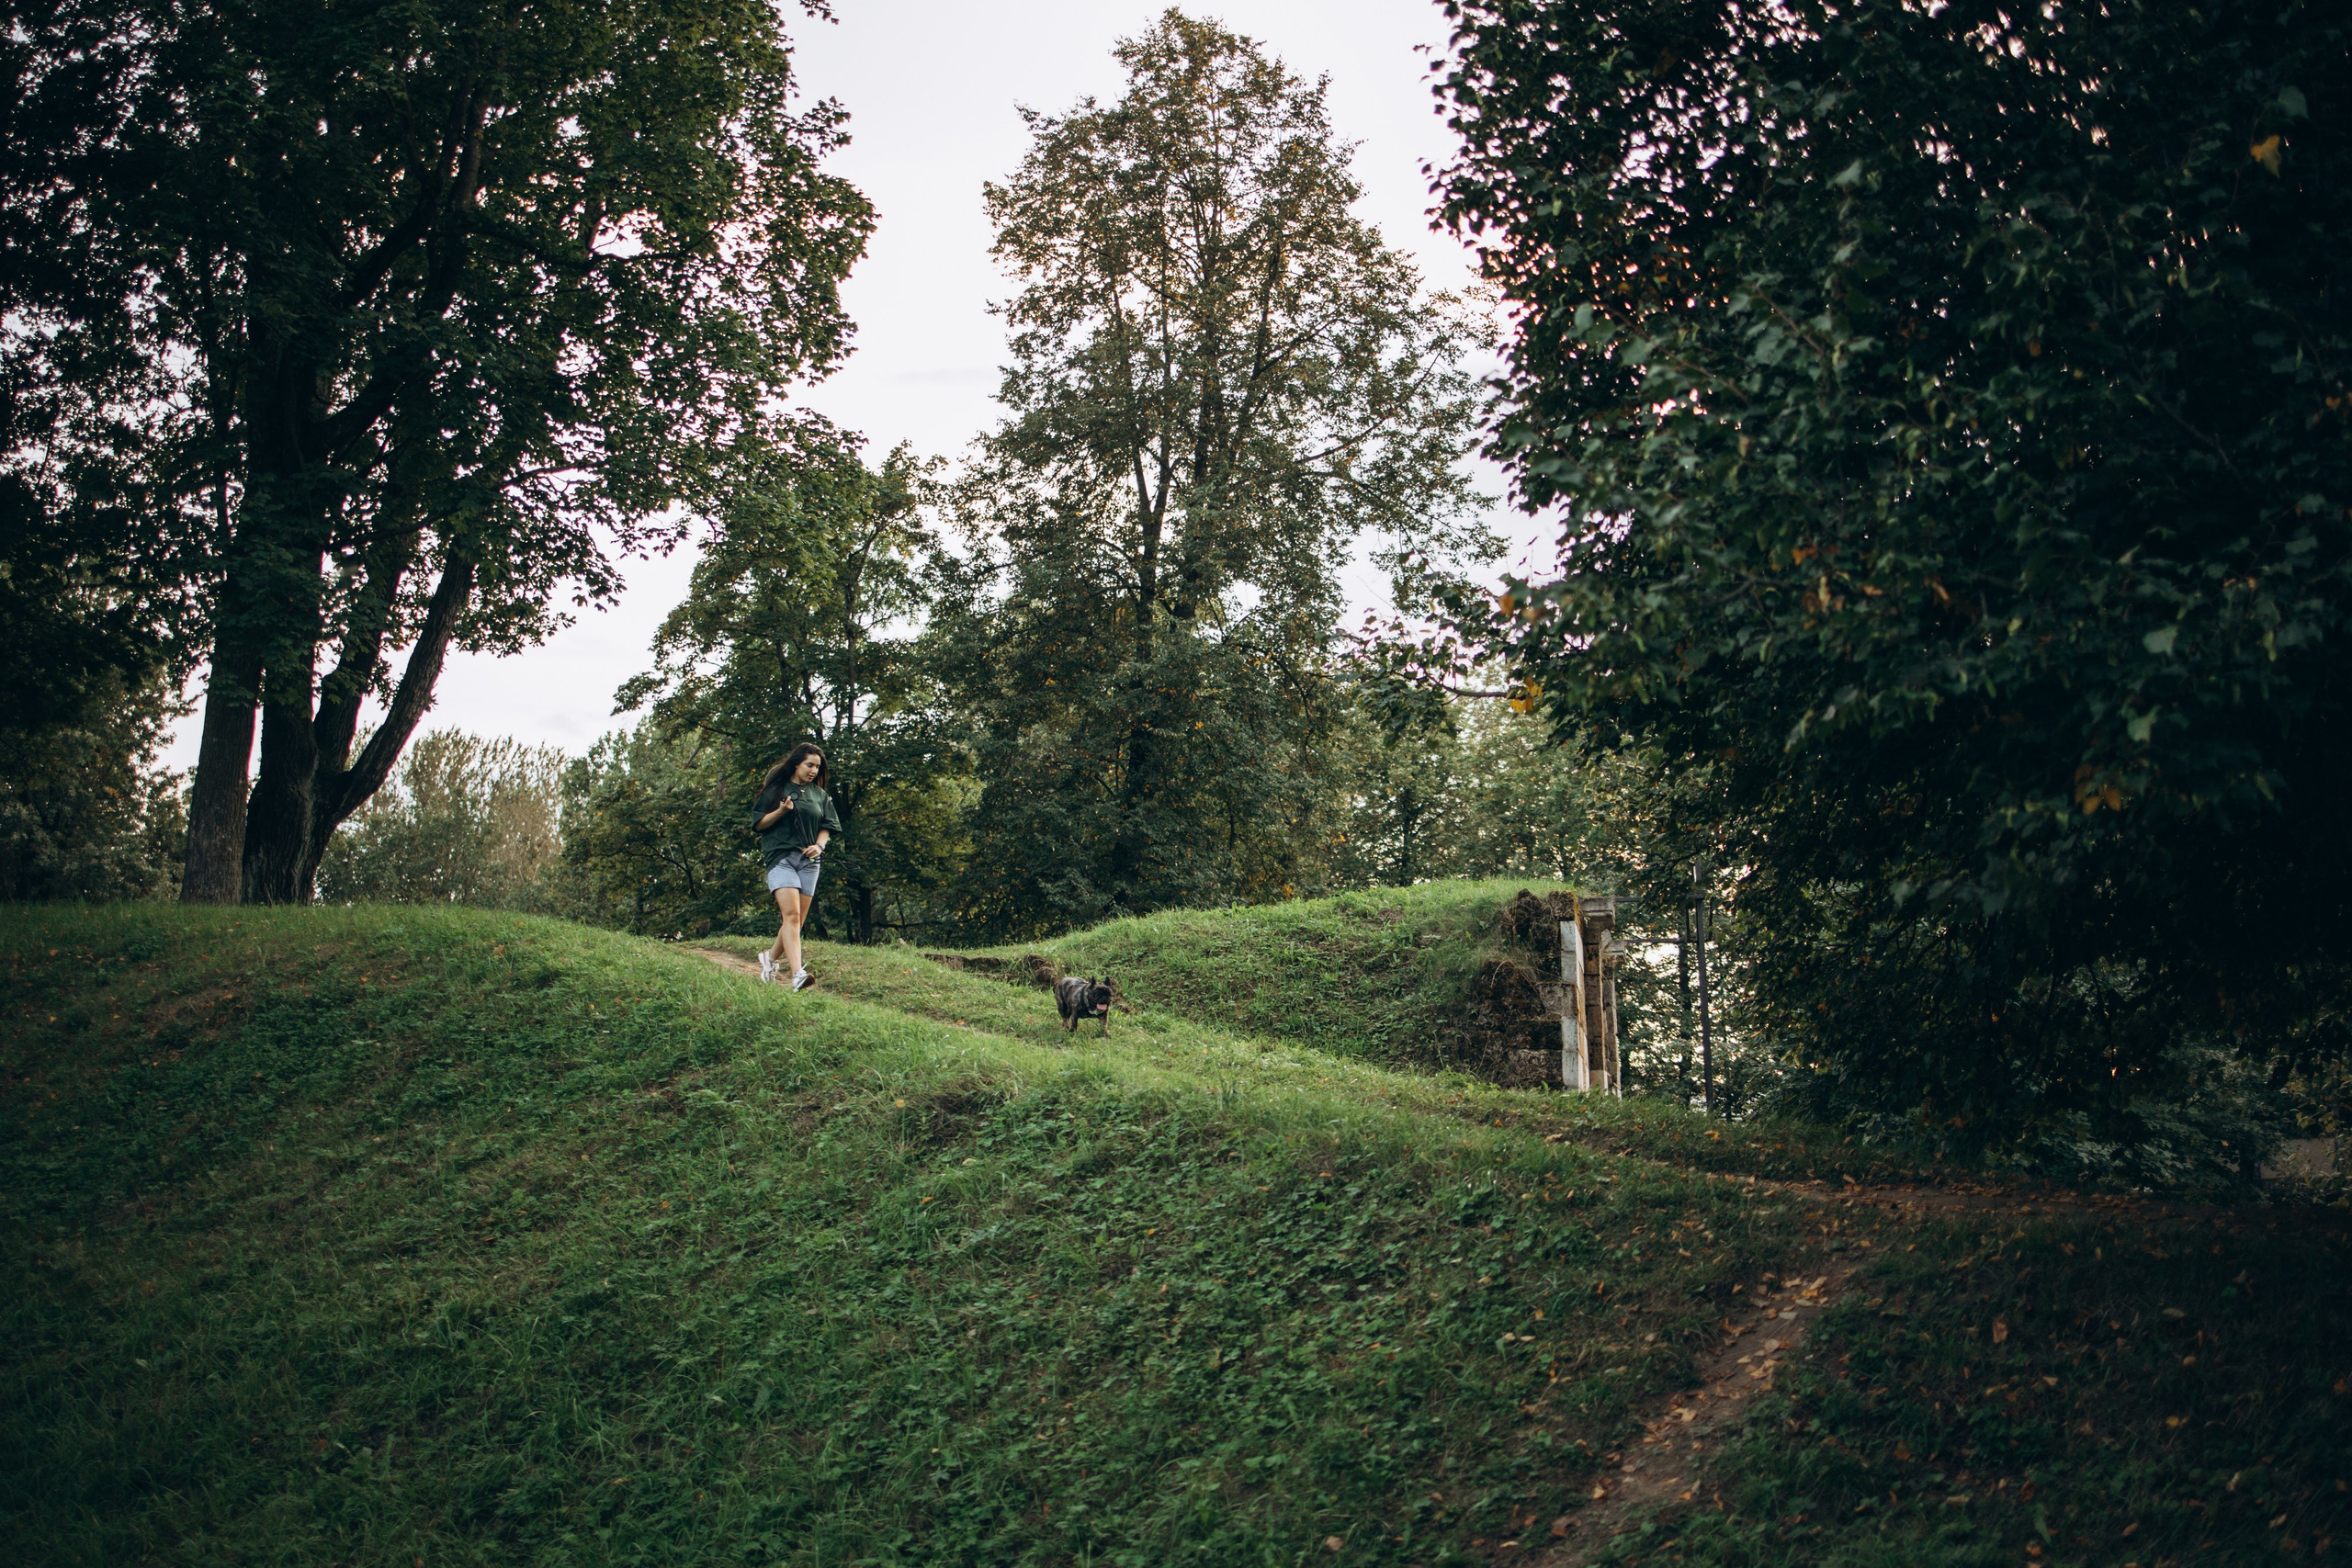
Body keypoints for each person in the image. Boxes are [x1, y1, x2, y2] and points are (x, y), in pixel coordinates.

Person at [752, 743, 842, 990]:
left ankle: (769, 960)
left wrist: (820, 846)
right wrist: (781, 811)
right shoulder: (776, 789)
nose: (814, 771)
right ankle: (797, 974)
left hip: (811, 862)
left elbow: (828, 826)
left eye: (817, 767)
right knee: (791, 916)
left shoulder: (820, 795)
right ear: (796, 764)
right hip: (781, 857)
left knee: (797, 921)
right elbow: (759, 823)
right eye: (809, 765)